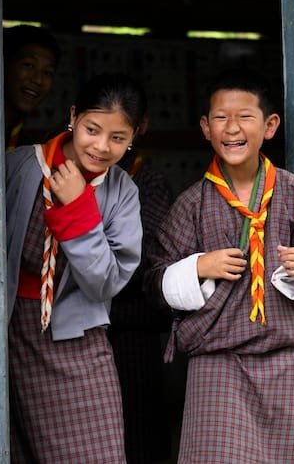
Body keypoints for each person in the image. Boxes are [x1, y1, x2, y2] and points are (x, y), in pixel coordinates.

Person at [145, 68, 294, 463]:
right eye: (221, 117)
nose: (232, 128)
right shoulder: (192, 204)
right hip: (218, 364)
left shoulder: (293, 193)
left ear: (270, 125)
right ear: (205, 127)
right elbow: (154, 281)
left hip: (286, 360)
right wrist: (199, 266)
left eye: (245, 116)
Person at [5, 73, 147, 463]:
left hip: (77, 340)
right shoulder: (19, 166)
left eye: (118, 138)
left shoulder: (121, 192)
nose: (101, 147)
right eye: (92, 129)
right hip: (8, 333)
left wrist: (79, 210)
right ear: (73, 116)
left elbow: (107, 283)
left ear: (134, 136)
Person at [109, 116, 176, 464]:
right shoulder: (69, 177)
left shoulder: (148, 182)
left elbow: (141, 263)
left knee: (138, 433)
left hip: (131, 325)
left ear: (140, 130)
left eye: (118, 132)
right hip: (81, 327)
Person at [3, 25, 61, 151]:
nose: (38, 80)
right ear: (3, 64)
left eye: (47, 72)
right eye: (28, 65)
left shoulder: (25, 144)